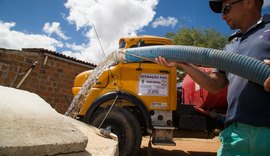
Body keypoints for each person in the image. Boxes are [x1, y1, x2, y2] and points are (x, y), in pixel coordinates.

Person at [155, 0, 270, 155]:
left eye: (226, 9)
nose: (223, 17)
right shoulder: (230, 46)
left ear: (249, 2)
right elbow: (215, 84)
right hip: (235, 133)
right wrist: (183, 63)